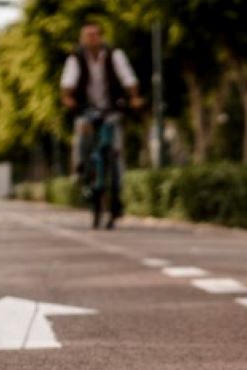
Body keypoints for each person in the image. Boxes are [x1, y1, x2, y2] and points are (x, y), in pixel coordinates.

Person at [60, 21, 144, 228]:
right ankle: (80, 170)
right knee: (82, 135)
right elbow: (67, 83)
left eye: (95, 34)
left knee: (116, 149)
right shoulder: (76, 58)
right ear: (82, 38)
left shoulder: (115, 55)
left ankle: (117, 191)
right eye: (87, 35)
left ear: (101, 36)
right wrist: (68, 99)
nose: (91, 39)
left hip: (112, 109)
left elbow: (128, 78)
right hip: (86, 110)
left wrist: (134, 98)